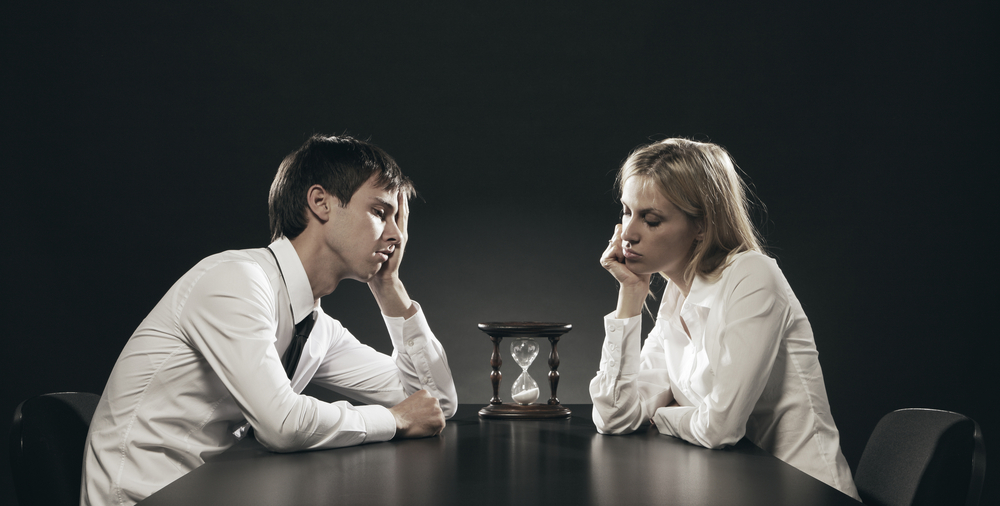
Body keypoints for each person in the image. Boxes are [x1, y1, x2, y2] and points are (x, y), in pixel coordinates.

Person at [81, 134, 458, 506]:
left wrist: (389, 286)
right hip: (145, 497)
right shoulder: (236, 280)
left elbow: (434, 404)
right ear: (320, 202)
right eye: (379, 213)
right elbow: (281, 425)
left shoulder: (315, 326)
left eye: (397, 220)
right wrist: (394, 420)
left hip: (219, 491)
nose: (396, 236)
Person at [590, 138, 859, 499]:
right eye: (626, 211)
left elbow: (720, 428)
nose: (628, 234)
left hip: (804, 492)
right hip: (733, 490)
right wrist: (631, 295)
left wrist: (662, 415)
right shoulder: (675, 298)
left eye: (651, 219)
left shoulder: (753, 276)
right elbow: (615, 417)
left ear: (702, 225)